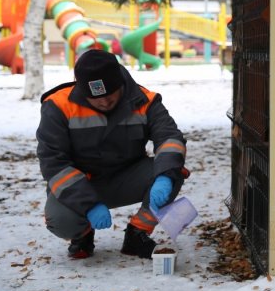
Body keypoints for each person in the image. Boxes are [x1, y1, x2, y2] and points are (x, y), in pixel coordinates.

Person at [36, 49, 188, 260]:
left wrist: (164, 176)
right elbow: (53, 162)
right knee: (61, 221)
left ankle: (138, 233)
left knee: (172, 171)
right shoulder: (58, 106)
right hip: (81, 183)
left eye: (110, 94)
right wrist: (88, 204)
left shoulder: (145, 100)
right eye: (96, 98)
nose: (105, 102)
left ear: (121, 84)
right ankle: (83, 234)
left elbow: (170, 138)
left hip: (127, 177)